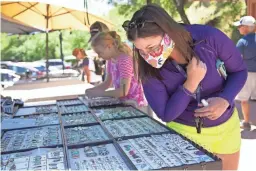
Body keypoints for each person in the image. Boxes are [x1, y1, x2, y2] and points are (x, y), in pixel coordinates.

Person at [123, 4, 247, 170]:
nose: (147, 56)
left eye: (151, 47)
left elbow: (239, 71)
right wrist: (190, 84)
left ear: (168, 32)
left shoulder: (209, 38)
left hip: (227, 128)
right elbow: (166, 114)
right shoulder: (147, 68)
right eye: (140, 50)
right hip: (185, 133)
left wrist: (225, 99)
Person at [85, 31, 148, 112]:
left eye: (100, 53)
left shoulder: (124, 59)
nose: (99, 56)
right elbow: (107, 83)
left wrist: (99, 94)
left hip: (136, 105)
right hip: (125, 104)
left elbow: (123, 91)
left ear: (109, 46)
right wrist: (92, 90)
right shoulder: (111, 60)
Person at [234, 16, 256, 131]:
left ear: (247, 28)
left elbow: (238, 60)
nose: (238, 29)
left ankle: (246, 122)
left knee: (244, 99)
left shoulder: (242, 42)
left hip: (247, 74)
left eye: (240, 26)